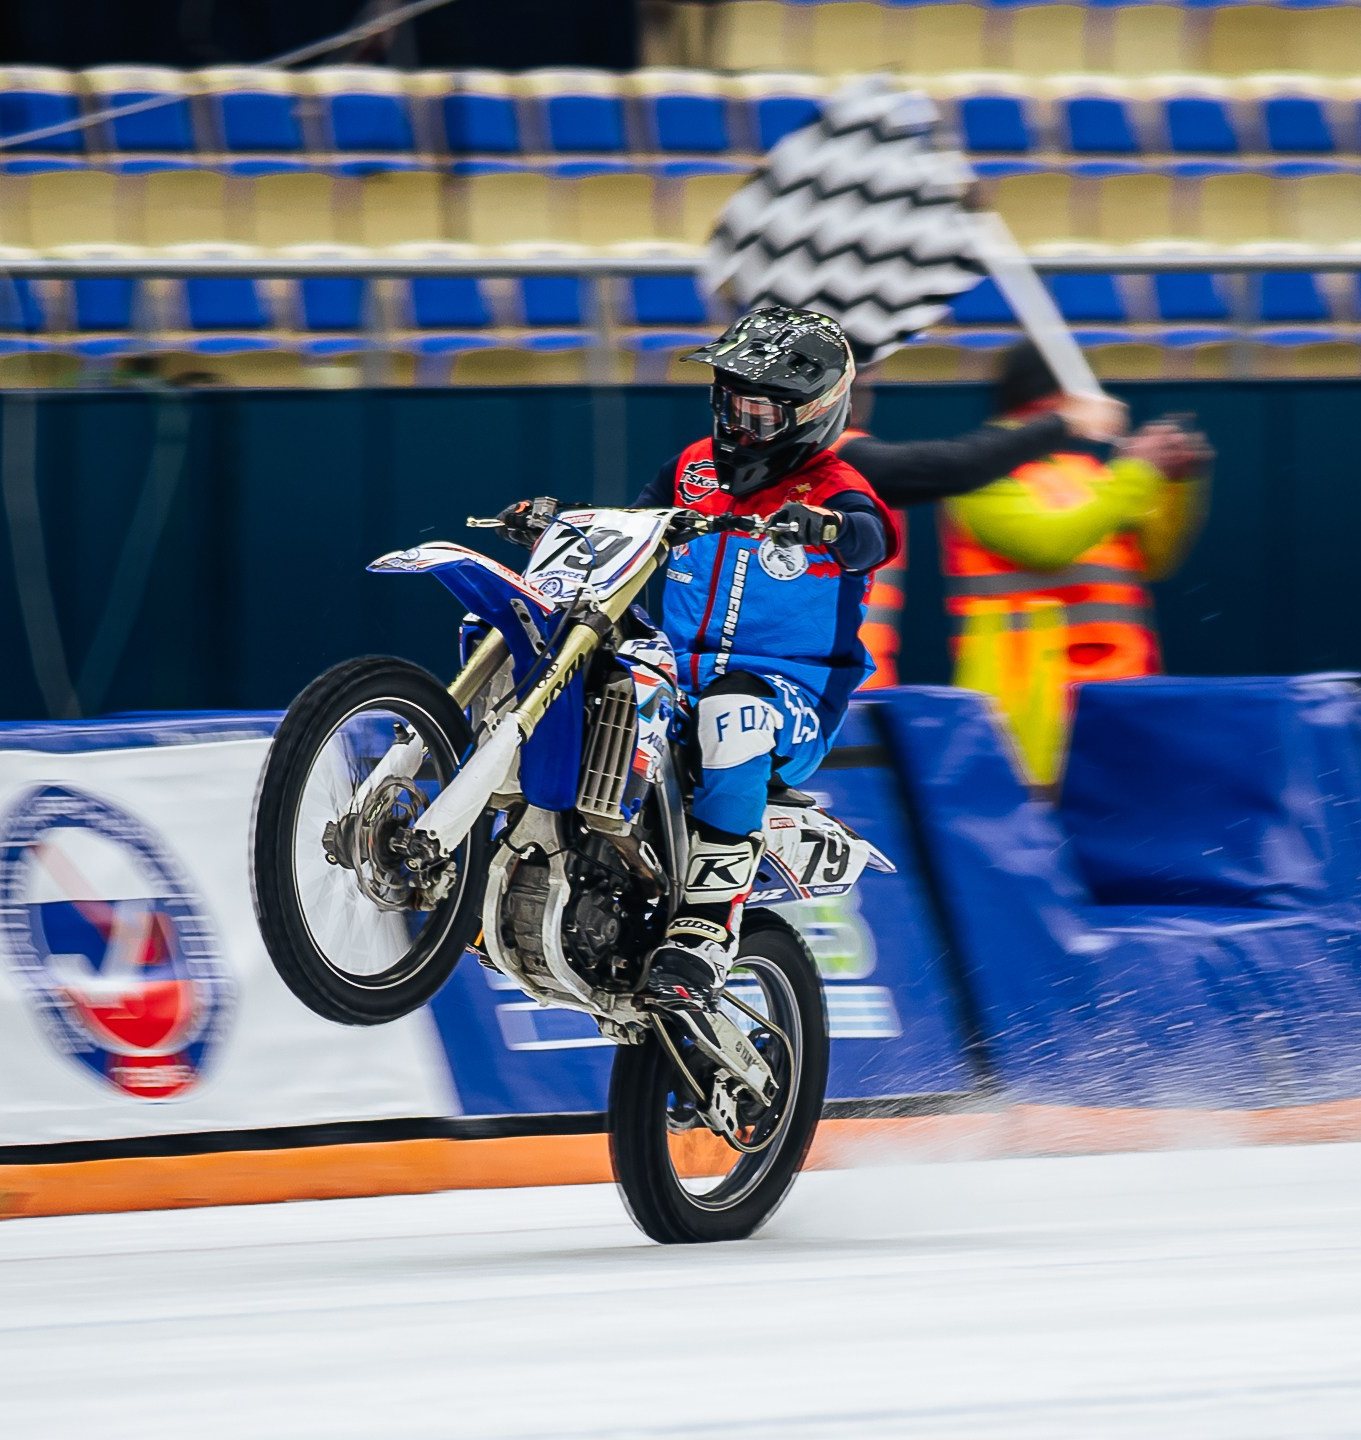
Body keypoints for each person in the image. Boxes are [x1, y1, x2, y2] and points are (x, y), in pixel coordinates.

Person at [510, 306, 898, 1003]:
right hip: (675, 673)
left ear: (814, 412)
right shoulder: (690, 466)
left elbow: (874, 538)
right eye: (732, 404)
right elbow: (631, 526)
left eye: (762, 413)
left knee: (735, 708)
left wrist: (828, 527)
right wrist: (560, 525)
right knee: (574, 663)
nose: (739, 426)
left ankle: (707, 926)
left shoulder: (839, 489)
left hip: (790, 698)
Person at [825, 372, 1131, 688]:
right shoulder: (829, 460)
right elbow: (958, 467)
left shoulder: (841, 469)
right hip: (814, 691)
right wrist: (1065, 421)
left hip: (846, 690)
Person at [942, 341, 1210, 694]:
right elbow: (1048, 545)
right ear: (1053, 397)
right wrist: (1139, 469)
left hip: (1121, 691)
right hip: (1023, 699)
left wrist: (1174, 483)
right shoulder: (981, 470)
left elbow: (1149, 561)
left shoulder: (1084, 469)